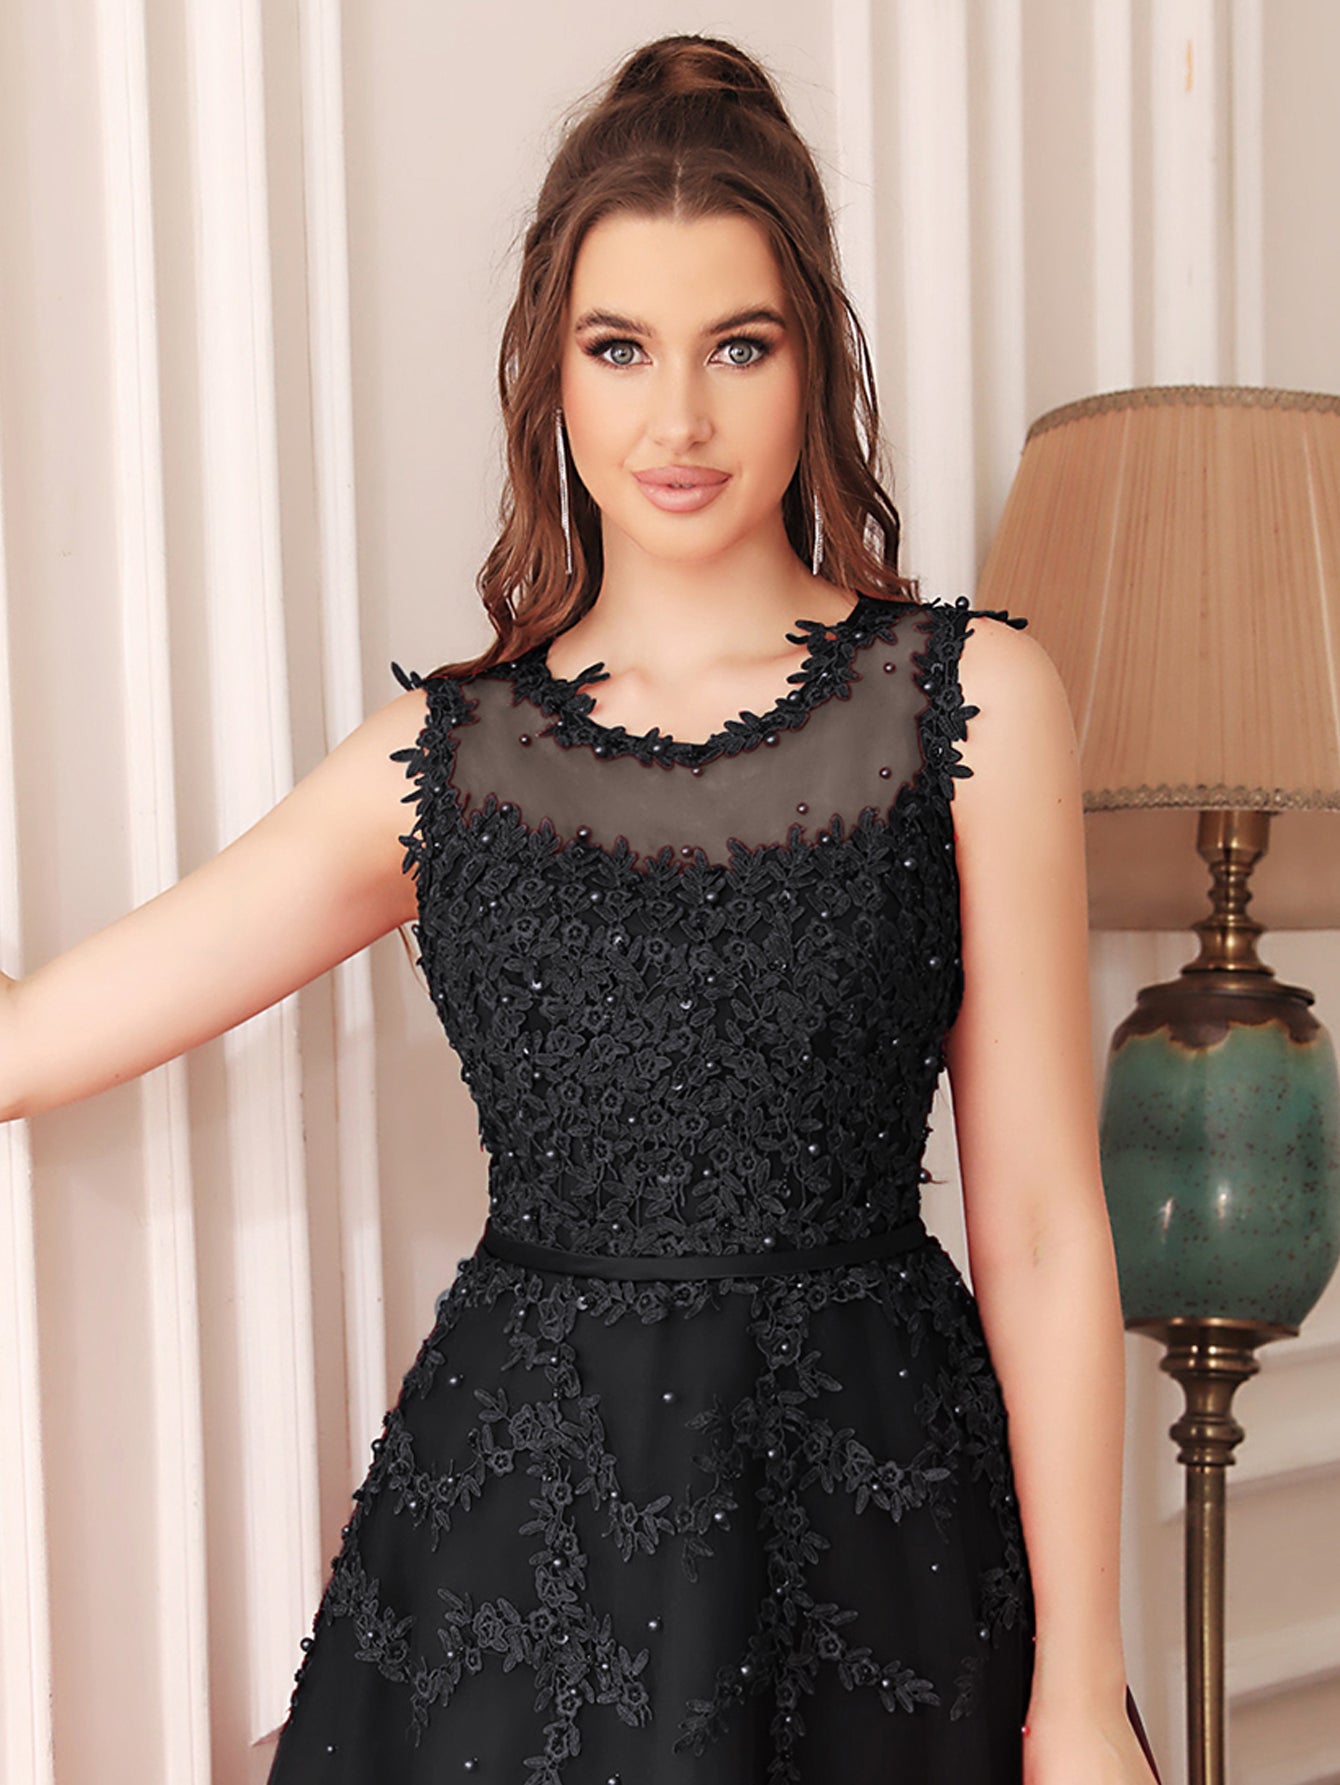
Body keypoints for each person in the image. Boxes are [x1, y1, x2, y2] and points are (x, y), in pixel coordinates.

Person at [0, 32, 1164, 1785]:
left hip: (883, 1546)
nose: (677, 419)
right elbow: (32, 1040)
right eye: (620, 348)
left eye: (738, 347)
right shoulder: (443, 758)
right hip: (522, 1561)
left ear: (814, 359)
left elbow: (1049, 1230)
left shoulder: (975, 703)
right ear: (550, 367)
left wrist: (1078, 1692)